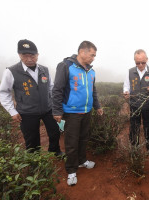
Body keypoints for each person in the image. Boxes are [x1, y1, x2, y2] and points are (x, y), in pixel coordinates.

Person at [0, 39, 62, 156]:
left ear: (37, 55)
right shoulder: (11, 71)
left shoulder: (44, 70)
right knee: (32, 139)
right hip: (27, 112)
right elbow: (3, 92)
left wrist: (56, 106)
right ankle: (35, 161)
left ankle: (55, 151)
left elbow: (51, 88)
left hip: (48, 109)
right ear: (19, 55)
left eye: (32, 55)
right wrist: (12, 111)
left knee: (55, 132)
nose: (29, 59)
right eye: (24, 55)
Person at [52, 41, 103, 186]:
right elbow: (57, 90)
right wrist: (57, 110)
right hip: (71, 112)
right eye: (92, 55)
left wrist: (97, 106)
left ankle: (82, 161)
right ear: (82, 51)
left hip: (86, 111)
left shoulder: (91, 71)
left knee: (83, 138)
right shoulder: (66, 66)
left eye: (94, 55)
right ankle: (71, 170)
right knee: (71, 142)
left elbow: (93, 91)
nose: (94, 58)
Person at [123, 49, 149, 158]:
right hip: (134, 105)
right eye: (137, 63)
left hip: (148, 105)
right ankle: (134, 147)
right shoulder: (130, 72)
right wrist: (126, 92)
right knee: (134, 127)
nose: (140, 65)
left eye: (143, 62)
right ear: (134, 61)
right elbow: (126, 86)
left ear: (146, 60)